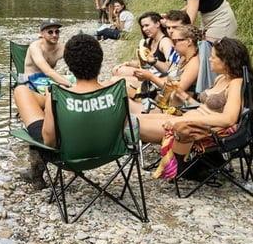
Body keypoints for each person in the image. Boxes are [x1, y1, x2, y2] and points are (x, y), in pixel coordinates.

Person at [136, 38, 250, 179]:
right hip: (189, 118)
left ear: (227, 60)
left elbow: (228, 119)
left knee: (134, 125)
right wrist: (185, 97)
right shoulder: (220, 78)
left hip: (201, 129)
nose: (209, 59)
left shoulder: (236, 83)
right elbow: (205, 106)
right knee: (134, 118)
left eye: (213, 57)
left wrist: (188, 119)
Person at [14, 34, 108, 186]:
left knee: (21, 91)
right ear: (100, 61)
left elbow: (49, 141)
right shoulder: (116, 91)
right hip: (107, 152)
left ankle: (36, 174)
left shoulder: (57, 97)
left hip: (68, 153)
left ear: (70, 66)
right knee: (34, 98)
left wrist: (51, 102)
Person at [131, 25, 202, 113]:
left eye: (174, 41)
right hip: (163, 100)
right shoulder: (183, 58)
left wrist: (151, 77)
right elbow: (170, 78)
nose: (173, 45)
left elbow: (177, 89)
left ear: (188, 41)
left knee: (127, 103)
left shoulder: (194, 63)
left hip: (176, 109)